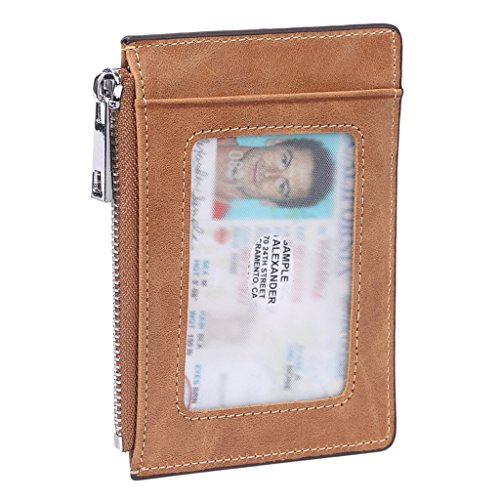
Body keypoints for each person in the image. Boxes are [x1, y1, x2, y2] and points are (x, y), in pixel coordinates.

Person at [212, 137, 335, 218]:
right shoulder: (214, 116)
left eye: (282, 187)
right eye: (284, 160)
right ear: (275, 142)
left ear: (271, 203)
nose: (270, 173)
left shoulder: (205, 232)